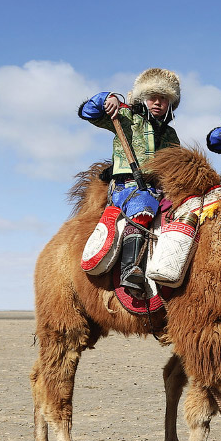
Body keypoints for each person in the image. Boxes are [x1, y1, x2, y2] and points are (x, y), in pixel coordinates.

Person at [78, 67, 181, 294]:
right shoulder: (125, 116)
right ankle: (129, 269)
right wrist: (106, 99)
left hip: (159, 189)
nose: (158, 102)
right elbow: (87, 112)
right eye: (153, 97)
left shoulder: (171, 134)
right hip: (128, 187)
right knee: (142, 206)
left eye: (164, 98)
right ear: (143, 98)